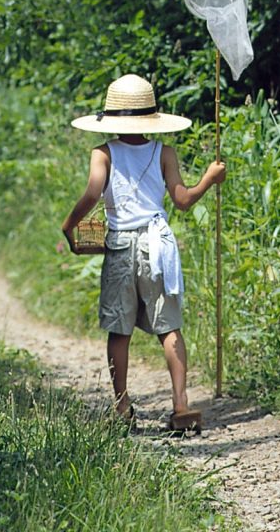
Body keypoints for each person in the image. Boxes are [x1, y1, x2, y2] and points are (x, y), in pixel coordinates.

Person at [61, 74, 226, 433]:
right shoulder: (164, 152)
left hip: (120, 244)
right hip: (156, 245)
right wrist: (209, 179)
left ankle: (122, 407)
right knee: (169, 326)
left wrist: (70, 224)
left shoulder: (102, 153)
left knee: (119, 330)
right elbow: (182, 201)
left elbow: (92, 194)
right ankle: (181, 406)